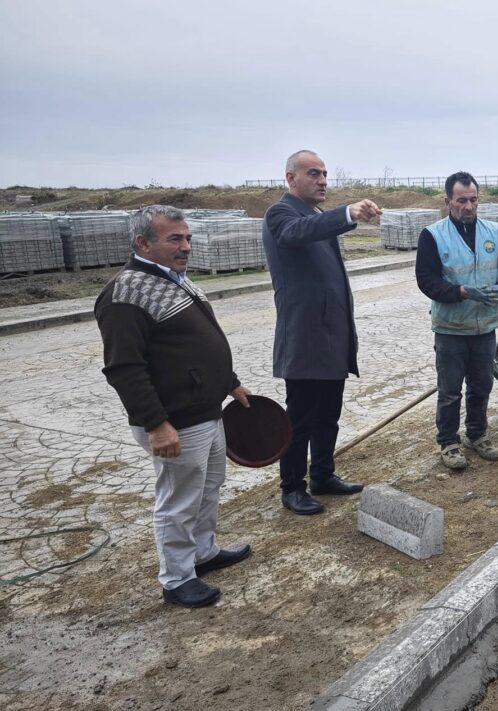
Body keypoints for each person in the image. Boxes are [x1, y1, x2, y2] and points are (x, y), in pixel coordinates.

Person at [95, 205, 253, 608]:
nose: (185, 247)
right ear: (143, 243)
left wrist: (230, 383)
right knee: (179, 499)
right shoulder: (125, 294)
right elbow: (124, 368)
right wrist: (155, 423)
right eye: (174, 239)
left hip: (207, 411)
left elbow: (194, 346)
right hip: (175, 421)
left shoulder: (177, 280)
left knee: (208, 489)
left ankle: (204, 553)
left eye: (187, 238)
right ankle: (177, 578)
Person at [263, 150, 381, 515]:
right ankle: (292, 487)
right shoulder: (281, 214)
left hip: (331, 336)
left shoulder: (314, 215)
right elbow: (297, 234)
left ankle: (323, 475)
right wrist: (346, 213)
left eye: (325, 174)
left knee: (329, 414)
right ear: (290, 178)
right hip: (305, 339)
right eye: (313, 173)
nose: (323, 181)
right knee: (300, 419)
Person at [416, 171, 498, 470]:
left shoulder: (494, 231)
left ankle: (478, 435)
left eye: (473, 200)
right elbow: (426, 281)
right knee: (450, 391)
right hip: (450, 329)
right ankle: (449, 442)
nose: (468, 207)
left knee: (482, 385)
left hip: (485, 327)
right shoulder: (433, 236)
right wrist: (460, 292)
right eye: (461, 201)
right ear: (447, 201)